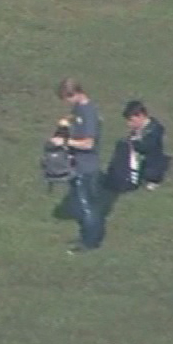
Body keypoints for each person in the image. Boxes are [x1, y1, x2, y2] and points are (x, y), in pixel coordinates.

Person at [53, 79, 104, 252]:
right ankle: (85, 236)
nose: (66, 102)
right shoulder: (78, 109)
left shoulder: (89, 112)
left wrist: (65, 141)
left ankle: (90, 243)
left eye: (66, 98)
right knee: (81, 205)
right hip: (77, 165)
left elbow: (88, 144)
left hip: (87, 167)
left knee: (87, 206)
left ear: (74, 94)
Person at [117, 101, 169, 192]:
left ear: (140, 116)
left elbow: (146, 146)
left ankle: (151, 181)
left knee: (150, 172)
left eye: (132, 120)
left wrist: (132, 142)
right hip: (140, 162)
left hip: (151, 165)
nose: (129, 124)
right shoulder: (139, 129)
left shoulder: (155, 129)